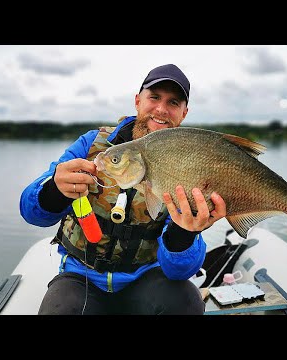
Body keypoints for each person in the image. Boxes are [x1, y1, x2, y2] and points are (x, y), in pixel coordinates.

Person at [20, 64, 227, 315]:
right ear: (138, 101)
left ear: (184, 113)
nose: (161, 109)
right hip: (81, 279)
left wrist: (183, 233)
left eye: (173, 102)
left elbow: (180, 271)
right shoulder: (92, 144)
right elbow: (32, 213)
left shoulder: (189, 161)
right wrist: (55, 189)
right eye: (154, 97)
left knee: (186, 301)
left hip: (147, 279)